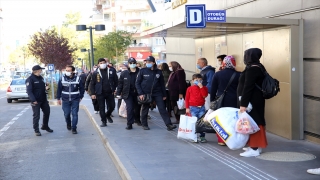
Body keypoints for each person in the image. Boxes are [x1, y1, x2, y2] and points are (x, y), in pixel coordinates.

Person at [238, 48, 268, 157]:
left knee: (253, 123)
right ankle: (255, 146)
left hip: (252, 101)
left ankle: (254, 148)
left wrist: (243, 104)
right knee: (255, 122)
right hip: (256, 100)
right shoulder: (259, 67)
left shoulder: (252, 69)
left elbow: (248, 87)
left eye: (246, 55)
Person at [136, 56, 177, 131]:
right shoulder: (142, 71)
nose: (147, 63)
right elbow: (137, 83)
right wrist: (140, 93)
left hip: (157, 93)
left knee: (162, 109)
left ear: (153, 63)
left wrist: (164, 94)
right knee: (145, 109)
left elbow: (162, 84)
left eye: (149, 62)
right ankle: (144, 124)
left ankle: (169, 124)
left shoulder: (158, 72)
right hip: (146, 93)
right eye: (147, 62)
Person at [210, 55, 240, 145]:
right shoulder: (239, 74)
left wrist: (212, 102)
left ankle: (222, 140)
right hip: (235, 101)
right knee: (233, 119)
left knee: (221, 120)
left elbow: (213, 89)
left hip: (220, 100)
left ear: (223, 63)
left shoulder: (218, 74)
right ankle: (233, 139)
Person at [56, 65, 84, 134]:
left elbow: (81, 88)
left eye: (69, 71)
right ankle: (68, 123)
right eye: (66, 70)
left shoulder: (78, 78)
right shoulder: (62, 78)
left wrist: (81, 97)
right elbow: (59, 89)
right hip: (65, 100)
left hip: (75, 99)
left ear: (73, 71)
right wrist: (58, 98)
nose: (67, 72)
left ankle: (74, 128)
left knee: (75, 114)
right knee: (67, 114)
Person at [26, 65, 53, 136]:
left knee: (47, 112)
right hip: (36, 100)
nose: (41, 71)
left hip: (43, 99)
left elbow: (42, 88)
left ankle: (45, 126)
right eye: (41, 70)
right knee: (36, 115)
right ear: (37, 70)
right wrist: (33, 100)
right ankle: (36, 130)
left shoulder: (41, 78)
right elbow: (29, 91)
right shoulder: (30, 79)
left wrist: (46, 88)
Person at [90, 58, 118, 127]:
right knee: (101, 108)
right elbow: (92, 83)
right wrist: (93, 93)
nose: (102, 64)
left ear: (106, 63)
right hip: (100, 93)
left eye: (103, 62)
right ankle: (104, 121)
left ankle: (107, 115)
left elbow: (116, 81)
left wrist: (115, 89)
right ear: (98, 64)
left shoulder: (111, 71)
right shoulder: (96, 73)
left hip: (110, 92)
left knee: (112, 106)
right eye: (101, 63)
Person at [116, 57, 142, 129]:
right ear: (128, 64)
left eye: (134, 63)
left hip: (137, 93)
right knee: (129, 108)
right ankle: (129, 123)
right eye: (131, 63)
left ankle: (137, 120)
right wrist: (118, 93)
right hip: (128, 93)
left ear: (136, 63)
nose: (132, 64)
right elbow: (120, 84)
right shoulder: (124, 73)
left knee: (137, 108)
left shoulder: (140, 72)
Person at [185, 74, 208, 143]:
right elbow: (187, 98)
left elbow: (204, 95)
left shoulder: (204, 88)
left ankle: (202, 136)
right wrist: (187, 107)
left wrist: (201, 87)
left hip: (201, 107)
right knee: (193, 122)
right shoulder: (189, 88)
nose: (198, 82)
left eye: (200, 80)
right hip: (192, 107)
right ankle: (193, 136)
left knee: (201, 123)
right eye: (196, 80)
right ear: (192, 81)